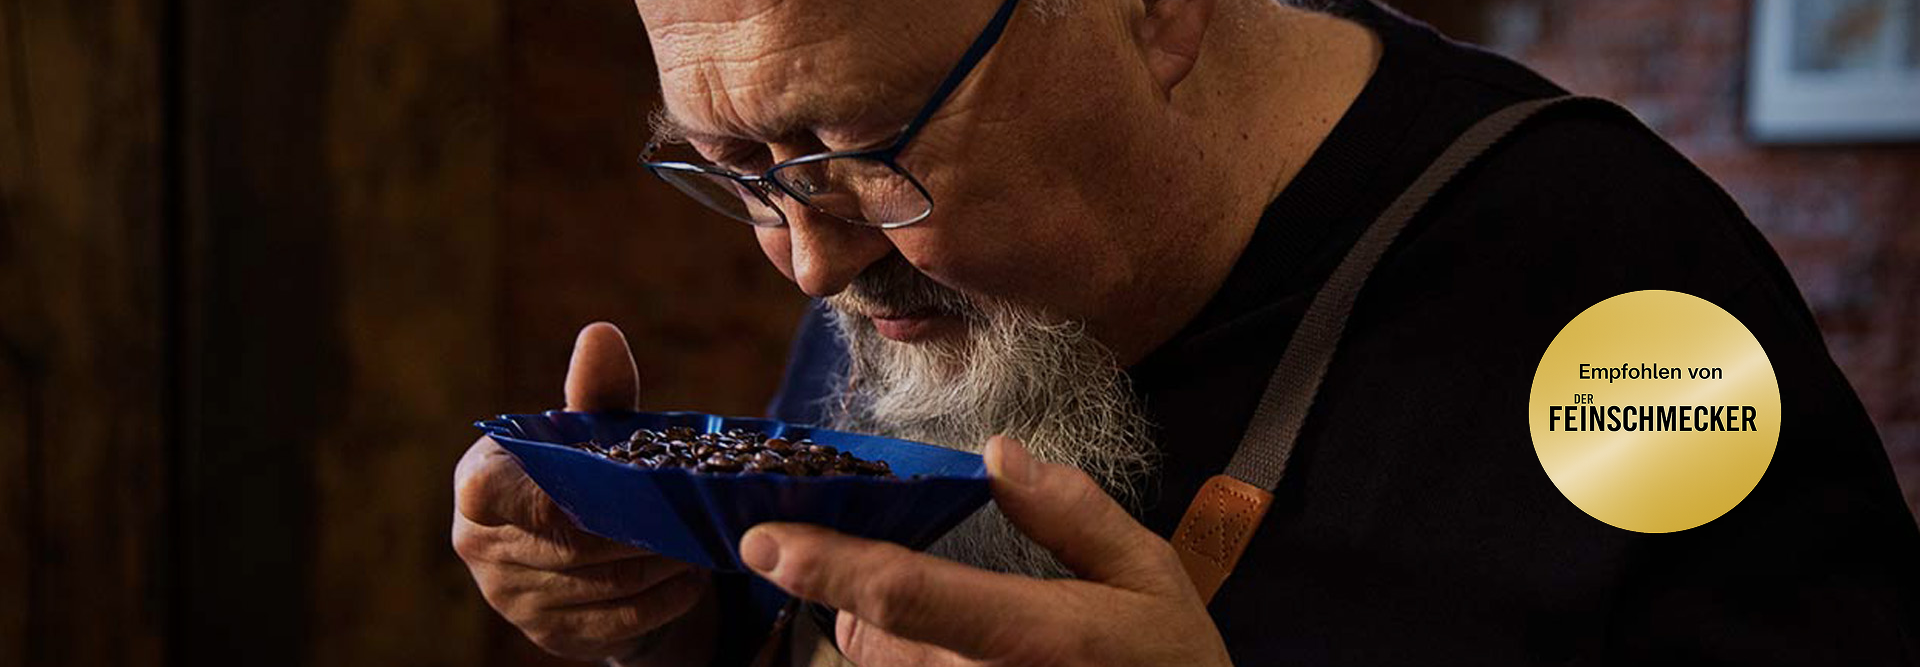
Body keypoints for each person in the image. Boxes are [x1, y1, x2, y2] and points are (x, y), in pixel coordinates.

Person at [453, 0, 1920, 664]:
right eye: (741, 172)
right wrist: (679, 618)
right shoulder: (886, 267)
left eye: (867, 145)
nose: (806, 261)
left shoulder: (1620, 297)